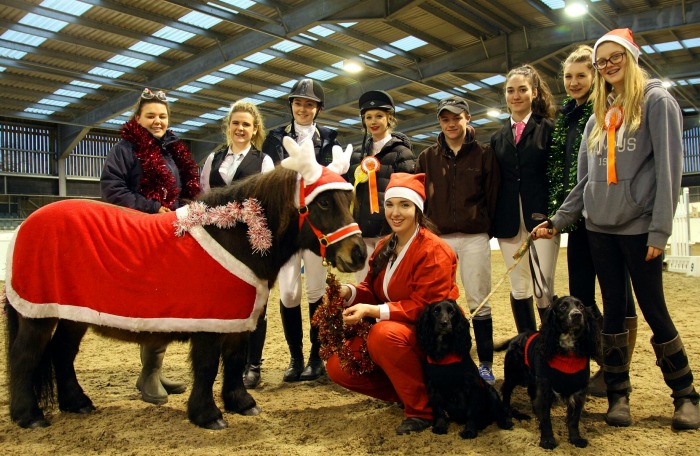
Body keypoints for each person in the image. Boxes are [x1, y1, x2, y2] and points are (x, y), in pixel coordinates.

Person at [533, 28, 699, 430]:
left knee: (655, 310)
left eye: (614, 58)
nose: (607, 66)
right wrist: (558, 220)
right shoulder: (597, 117)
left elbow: (669, 170)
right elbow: (584, 183)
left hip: (639, 229)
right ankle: (618, 393)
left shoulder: (656, 101)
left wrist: (660, 231)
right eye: (601, 61)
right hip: (600, 231)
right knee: (610, 316)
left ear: (631, 59)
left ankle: (685, 394)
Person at [326, 172, 459, 435]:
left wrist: (374, 311)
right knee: (338, 366)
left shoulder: (434, 250)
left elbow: (427, 307)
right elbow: (371, 289)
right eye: (390, 204)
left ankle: (422, 410)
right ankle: (408, 393)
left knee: (382, 335)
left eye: (404, 205)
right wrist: (348, 292)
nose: (395, 213)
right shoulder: (386, 244)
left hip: (430, 335)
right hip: (397, 334)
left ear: (418, 209)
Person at [100, 87, 201, 404]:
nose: (157, 120)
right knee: (151, 301)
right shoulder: (125, 150)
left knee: (166, 302)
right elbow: (112, 188)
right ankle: (149, 375)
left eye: (162, 116)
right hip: (138, 232)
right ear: (138, 118)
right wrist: (150, 208)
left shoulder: (171, 151)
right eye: (151, 115)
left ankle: (153, 369)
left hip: (166, 233)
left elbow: (183, 187)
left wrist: (185, 207)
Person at [552, 45, 638, 397]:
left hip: (609, 218)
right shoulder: (568, 119)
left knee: (618, 295)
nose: (574, 83)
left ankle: (617, 366)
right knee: (582, 297)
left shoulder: (607, 112)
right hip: (579, 220)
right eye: (568, 77)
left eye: (581, 76)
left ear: (596, 76)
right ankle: (587, 360)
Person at [414, 96, 500, 385]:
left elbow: (493, 194)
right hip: (439, 239)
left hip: (474, 236)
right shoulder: (427, 157)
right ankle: (445, 360)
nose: (451, 123)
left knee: (479, 300)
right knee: (440, 302)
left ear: (468, 118)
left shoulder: (484, 154)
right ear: (440, 122)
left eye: (456, 118)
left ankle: (485, 363)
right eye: (445, 119)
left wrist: (486, 227)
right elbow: (420, 198)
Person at [261, 78, 341, 382]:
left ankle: (315, 358)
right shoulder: (274, 138)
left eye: (309, 104)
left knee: (315, 290)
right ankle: (295, 358)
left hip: (315, 226)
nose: (303, 108)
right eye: (298, 103)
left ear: (318, 108)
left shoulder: (330, 138)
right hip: (286, 223)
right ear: (291, 106)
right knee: (290, 292)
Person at [199, 100, 273, 389]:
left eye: (246, 124)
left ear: (255, 130)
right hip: (219, 240)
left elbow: (266, 201)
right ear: (228, 126)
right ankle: (227, 361)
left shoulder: (263, 161)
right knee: (223, 304)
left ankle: (253, 364)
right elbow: (204, 196)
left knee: (255, 304)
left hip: (249, 239)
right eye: (236, 123)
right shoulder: (212, 159)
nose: (240, 128)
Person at [490, 65, 558, 333]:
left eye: (522, 90)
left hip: (541, 220)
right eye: (510, 91)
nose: (515, 96)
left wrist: (556, 215)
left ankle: (552, 343)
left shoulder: (549, 129)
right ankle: (527, 346)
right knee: (519, 287)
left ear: (534, 93)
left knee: (543, 287)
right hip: (508, 222)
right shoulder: (497, 138)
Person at [348, 90, 416, 281]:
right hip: (362, 232)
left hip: (389, 232)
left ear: (389, 118)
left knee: (389, 284)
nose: (373, 121)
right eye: (368, 117)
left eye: (379, 116)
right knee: (363, 285)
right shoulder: (357, 156)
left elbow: (408, 194)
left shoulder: (402, 153)